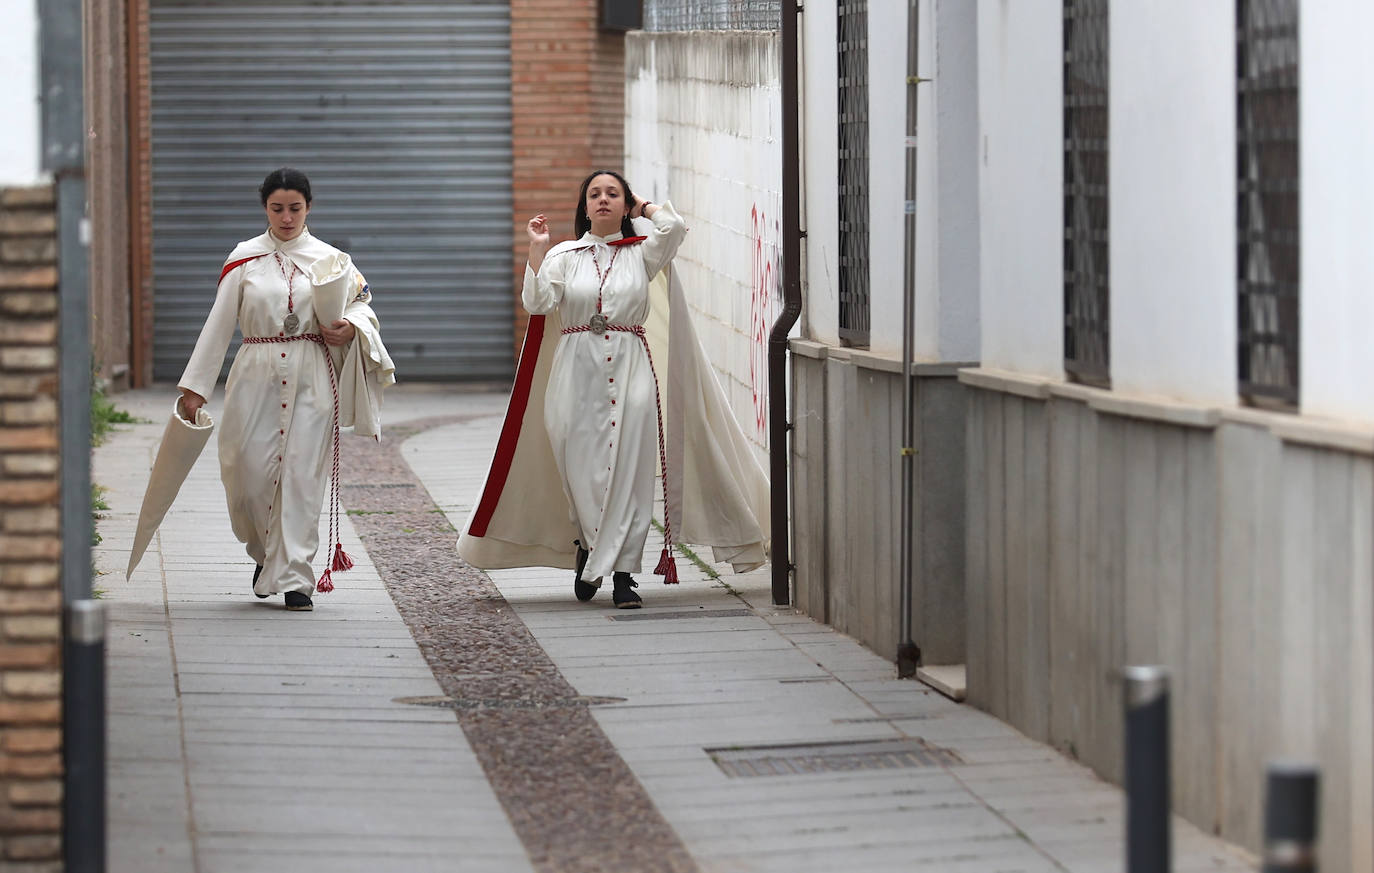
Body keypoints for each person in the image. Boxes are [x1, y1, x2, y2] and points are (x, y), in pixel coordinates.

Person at [178, 168, 394, 611]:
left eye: (295, 208)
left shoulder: (332, 259)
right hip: (254, 371)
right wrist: (195, 387)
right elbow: (218, 325)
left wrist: (349, 328)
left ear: (309, 207)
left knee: (300, 476)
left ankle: (296, 576)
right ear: (265, 208)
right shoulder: (243, 258)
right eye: (277, 208)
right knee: (246, 476)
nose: (287, 217)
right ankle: (264, 554)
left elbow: (362, 307)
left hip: (312, 370)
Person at [519, 170, 687, 608]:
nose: (604, 200)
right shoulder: (565, 254)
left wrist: (644, 207)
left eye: (613, 194)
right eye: (595, 194)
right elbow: (537, 304)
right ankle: (589, 547)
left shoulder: (643, 254)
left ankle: (624, 575)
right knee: (582, 470)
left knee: (629, 472)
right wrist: (536, 252)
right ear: (585, 206)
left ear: (624, 203)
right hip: (576, 372)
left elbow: (675, 228)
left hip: (631, 367)